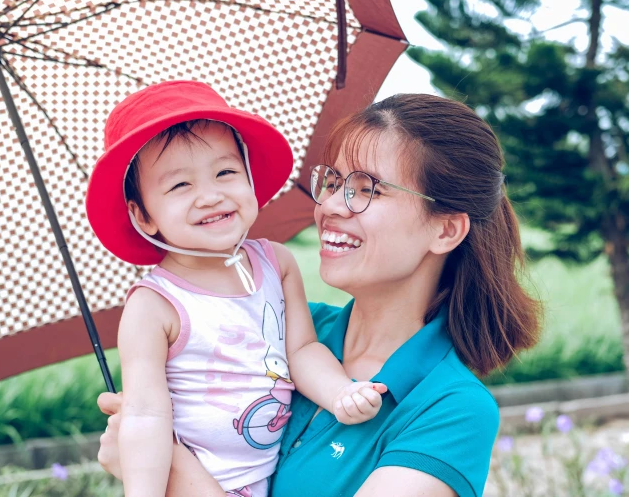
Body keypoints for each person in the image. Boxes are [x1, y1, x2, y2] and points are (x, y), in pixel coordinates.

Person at [96, 93, 542, 496]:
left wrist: (173, 467)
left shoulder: (452, 411)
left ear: (445, 229)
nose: (330, 206)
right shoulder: (274, 327)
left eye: (367, 190)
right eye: (332, 182)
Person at [85, 81, 387, 497]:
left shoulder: (275, 263)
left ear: (249, 175)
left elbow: (299, 351)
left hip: (266, 479)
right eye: (179, 186)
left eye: (226, 172)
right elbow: (145, 415)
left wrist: (339, 392)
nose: (210, 195)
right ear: (143, 216)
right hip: (194, 482)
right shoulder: (155, 305)